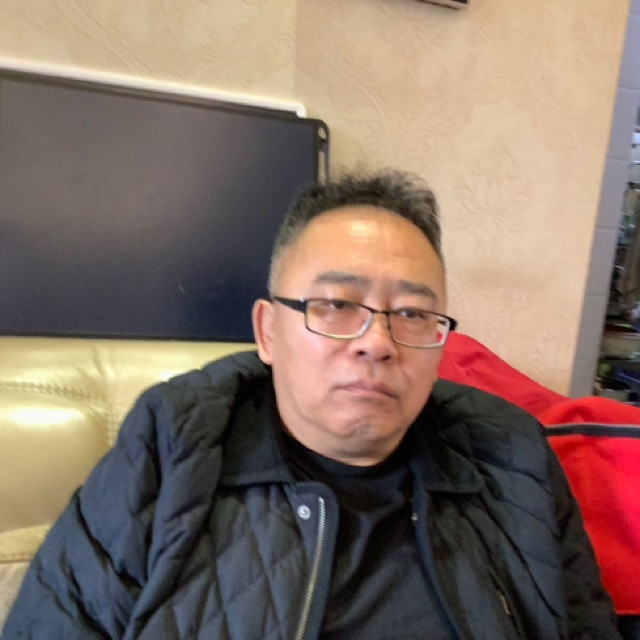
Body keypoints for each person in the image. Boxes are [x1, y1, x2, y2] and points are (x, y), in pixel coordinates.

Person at [2, 170, 622, 639]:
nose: (377, 342)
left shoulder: (512, 456)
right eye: (336, 305)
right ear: (268, 331)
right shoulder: (173, 444)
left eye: (412, 313)